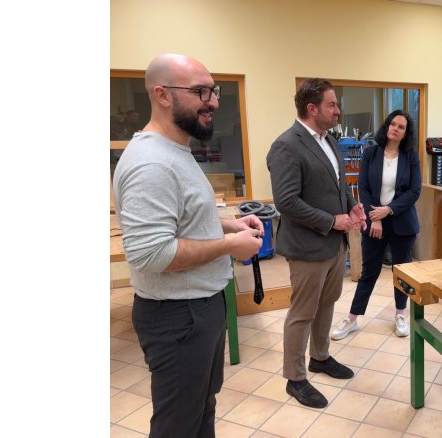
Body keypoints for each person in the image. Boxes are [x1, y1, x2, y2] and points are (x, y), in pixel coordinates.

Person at [112, 54, 265, 438]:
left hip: (200, 307)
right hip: (178, 317)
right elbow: (152, 254)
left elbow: (186, 219)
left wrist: (229, 223)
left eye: (212, 90)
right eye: (201, 91)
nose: (213, 101)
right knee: (178, 424)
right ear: (162, 95)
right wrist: (230, 244)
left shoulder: (176, 151)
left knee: (201, 409)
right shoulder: (151, 164)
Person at [266, 78, 367, 408]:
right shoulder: (287, 145)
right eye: (332, 105)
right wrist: (331, 221)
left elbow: (338, 183)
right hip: (308, 247)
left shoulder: (329, 140)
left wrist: (350, 204)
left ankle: (320, 357)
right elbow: (286, 201)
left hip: (334, 244)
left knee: (327, 303)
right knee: (302, 312)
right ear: (312, 109)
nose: (338, 111)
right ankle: (295, 379)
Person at [330, 110, 422, 341]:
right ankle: (352, 318)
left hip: (402, 223)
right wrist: (376, 217)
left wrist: (389, 209)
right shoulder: (371, 153)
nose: (395, 128)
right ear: (387, 126)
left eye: (401, 126)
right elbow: (364, 188)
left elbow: (414, 191)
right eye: (393, 124)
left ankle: (400, 314)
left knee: (401, 272)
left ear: (405, 132)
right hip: (374, 223)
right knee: (368, 272)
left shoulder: (410, 156)